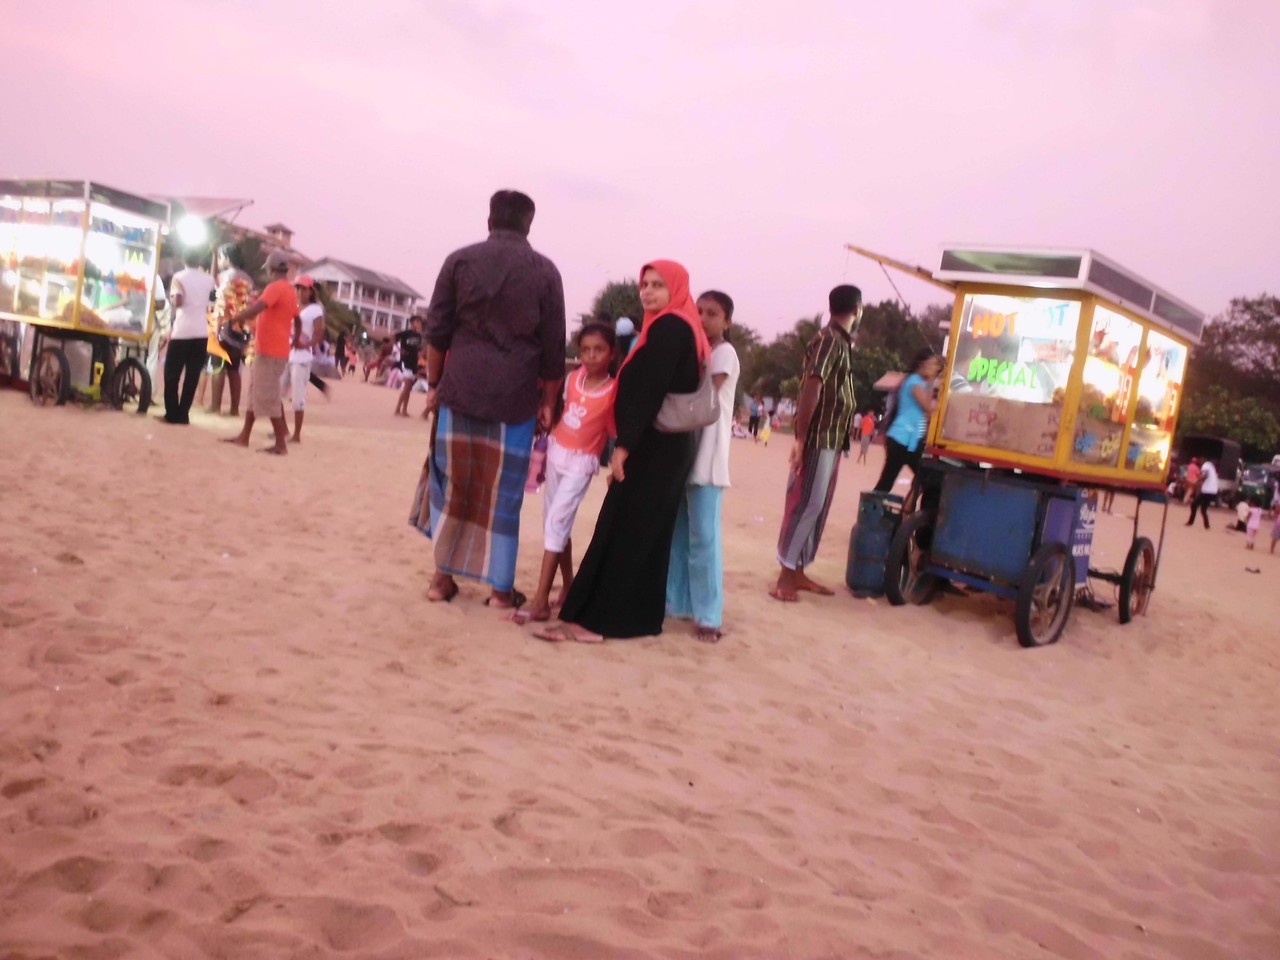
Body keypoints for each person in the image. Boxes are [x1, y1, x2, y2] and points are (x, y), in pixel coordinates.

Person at [531, 260, 706, 643]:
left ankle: (594, 622)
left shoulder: (671, 327)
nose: (648, 291)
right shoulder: (676, 326)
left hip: (653, 447)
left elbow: (649, 391)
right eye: (645, 284)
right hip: (664, 447)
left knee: (622, 527)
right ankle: (634, 617)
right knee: (642, 532)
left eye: (658, 285)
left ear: (676, 288)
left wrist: (623, 447)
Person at [409, 190, 566, 608]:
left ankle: (441, 580)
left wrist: (437, 384)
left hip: (461, 390)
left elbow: (437, 333)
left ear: (490, 220)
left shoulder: (459, 261)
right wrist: (549, 401)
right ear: (528, 225)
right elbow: (553, 349)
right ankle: (499, 590)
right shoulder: (546, 272)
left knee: (453, 484)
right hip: (515, 398)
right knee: (504, 493)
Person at [517, 323, 617, 624]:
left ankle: (540, 601)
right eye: (585, 349)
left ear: (611, 354)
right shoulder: (573, 380)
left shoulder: (614, 391)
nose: (590, 356)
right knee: (555, 524)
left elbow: (616, 431)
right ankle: (569, 585)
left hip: (581, 464)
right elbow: (560, 413)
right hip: (556, 456)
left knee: (557, 523)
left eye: (598, 350)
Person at [771, 285, 861, 603]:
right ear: (857, 309)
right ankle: (785, 574)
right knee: (807, 502)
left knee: (818, 505)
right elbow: (812, 387)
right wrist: (800, 437)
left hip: (834, 438)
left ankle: (797, 570)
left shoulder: (841, 343)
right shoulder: (828, 340)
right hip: (819, 437)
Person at [666, 290, 740, 643]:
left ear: (727, 321)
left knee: (704, 539)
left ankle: (709, 615)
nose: (705, 317)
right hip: (684, 453)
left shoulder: (723, 353)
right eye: (700, 311)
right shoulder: (696, 351)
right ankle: (677, 603)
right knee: (679, 535)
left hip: (708, 457)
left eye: (713, 313)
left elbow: (704, 391)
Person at [221, 250, 297, 455]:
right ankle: (244, 436)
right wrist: (296, 338)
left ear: (272, 269)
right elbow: (296, 318)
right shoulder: (290, 290)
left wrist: (236, 318)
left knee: (268, 396)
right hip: (272, 349)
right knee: (256, 394)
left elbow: (258, 308)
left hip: (271, 351)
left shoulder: (275, 288)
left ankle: (281, 443)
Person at [873, 348, 942, 493]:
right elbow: (927, 407)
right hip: (902, 440)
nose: (934, 369)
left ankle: (877, 508)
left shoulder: (917, 383)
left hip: (908, 441)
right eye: (932, 365)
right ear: (921, 365)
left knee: (890, 481)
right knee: (891, 481)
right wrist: (931, 381)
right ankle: (871, 509)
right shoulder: (913, 383)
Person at [160, 248, 216, 425]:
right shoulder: (208, 279)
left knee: (172, 374)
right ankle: (183, 414)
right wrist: (214, 255)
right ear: (200, 260)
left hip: (182, 331)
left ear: (184, 258)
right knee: (192, 376)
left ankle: (171, 413)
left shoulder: (179, 277)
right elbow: (213, 289)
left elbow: (178, 301)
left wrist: (173, 296)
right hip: (201, 332)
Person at [209, 243, 254, 417]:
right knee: (234, 369)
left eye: (220, 257)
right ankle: (234, 409)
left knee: (218, 367)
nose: (219, 261)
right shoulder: (248, 278)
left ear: (227, 258)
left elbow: (212, 282)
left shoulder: (226, 276)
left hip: (224, 325)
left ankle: (215, 407)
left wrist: (212, 255)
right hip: (242, 328)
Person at [285, 275, 326, 442]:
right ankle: (283, 429)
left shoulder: (315, 309)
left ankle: (296, 434)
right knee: (276, 392)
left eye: (302, 288)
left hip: (301, 357)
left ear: (310, 291)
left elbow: (318, 333)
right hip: (286, 353)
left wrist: (306, 344)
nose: (299, 292)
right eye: (297, 288)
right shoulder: (293, 306)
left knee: (297, 397)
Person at [393, 316, 424, 417]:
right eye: (417, 322)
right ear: (412, 323)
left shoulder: (419, 336)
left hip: (414, 362)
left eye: (420, 322)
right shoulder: (406, 333)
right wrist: (399, 348)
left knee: (409, 387)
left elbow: (418, 349)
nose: (419, 324)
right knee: (407, 386)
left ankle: (404, 410)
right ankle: (398, 408)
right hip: (406, 362)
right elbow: (393, 337)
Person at [1186, 457, 1218, 528]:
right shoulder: (1211, 466)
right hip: (1213, 491)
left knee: (1194, 505)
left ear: (1202, 460)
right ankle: (1207, 525)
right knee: (1203, 509)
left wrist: (1197, 481)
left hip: (1207, 490)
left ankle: (1190, 522)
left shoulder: (1205, 465)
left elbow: (1205, 475)